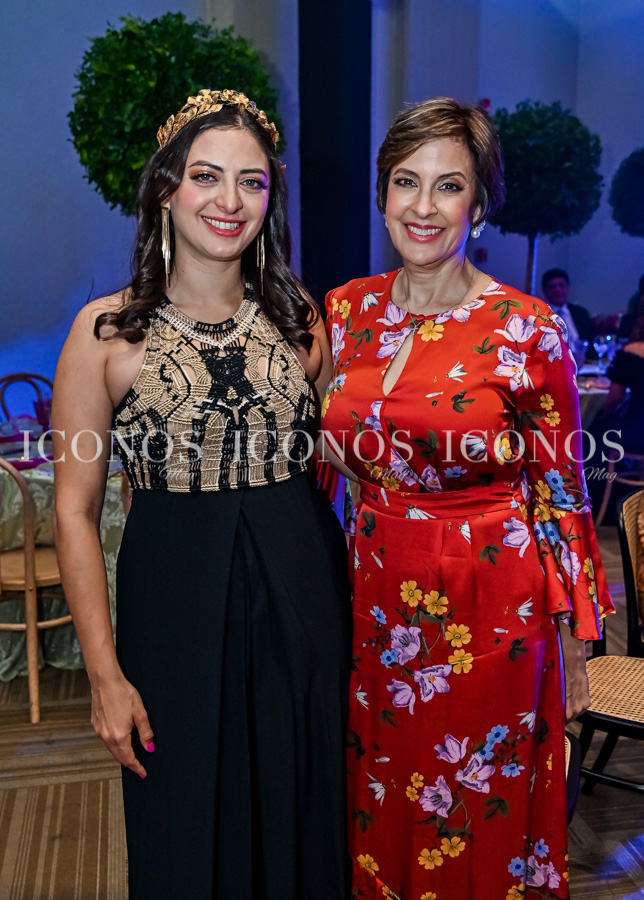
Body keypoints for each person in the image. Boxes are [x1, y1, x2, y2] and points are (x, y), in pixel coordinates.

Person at [53, 89, 351, 900]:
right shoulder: (104, 333)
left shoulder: (302, 320)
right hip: (172, 605)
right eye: (207, 176)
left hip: (305, 595)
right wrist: (105, 677)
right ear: (166, 189)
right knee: (184, 822)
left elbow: (339, 458)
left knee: (303, 810)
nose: (230, 201)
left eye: (252, 182)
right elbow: (74, 512)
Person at [321, 97, 613, 900]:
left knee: (473, 797)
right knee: (384, 786)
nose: (422, 206)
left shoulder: (527, 328)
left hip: (489, 603)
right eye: (405, 181)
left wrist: (578, 639)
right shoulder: (346, 311)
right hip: (373, 597)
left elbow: (562, 492)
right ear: (383, 193)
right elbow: (325, 456)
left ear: (478, 205)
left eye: (448, 186)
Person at [542, 268, 597, 356]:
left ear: (568, 288)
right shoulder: (539, 314)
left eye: (561, 285)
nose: (558, 290)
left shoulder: (580, 313)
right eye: (552, 287)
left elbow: (590, 343)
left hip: (583, 360)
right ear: (545, 291)